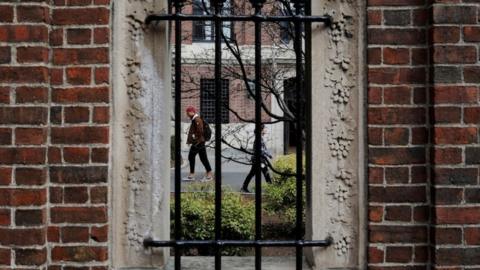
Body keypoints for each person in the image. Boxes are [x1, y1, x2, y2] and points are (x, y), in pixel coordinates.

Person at [184, 106, 213, 182]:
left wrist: (194, 139)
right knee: (203, 158)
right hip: (200, 142)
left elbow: (200, 131)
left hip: (198, 142)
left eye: (187, 112)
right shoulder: (195, 119)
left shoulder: (197, 119)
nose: (187, 114)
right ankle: (209, 174)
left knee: (191, 156)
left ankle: (192, 175)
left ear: (191, 112)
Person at [240, 124, 272, 193]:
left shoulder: (259, 137)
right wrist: (269, 155)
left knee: (252, 173)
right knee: (266, 174)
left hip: (258, 159)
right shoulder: (259, 138)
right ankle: (272, 189)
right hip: (259, 160)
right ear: (261, 130)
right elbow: (261, 150)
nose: (265, 130)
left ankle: (244, 187)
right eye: (264, 128)